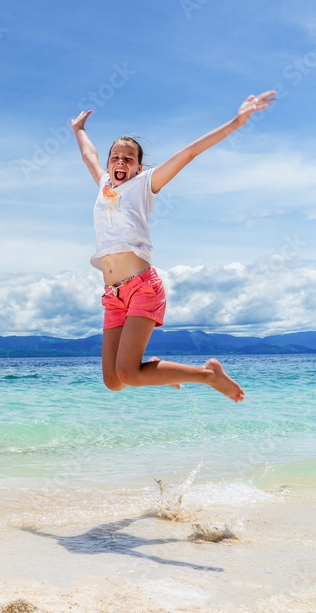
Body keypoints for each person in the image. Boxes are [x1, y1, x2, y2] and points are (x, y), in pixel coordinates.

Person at [71, 91, 275, 401]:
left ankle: (209, 376)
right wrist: (79, 130)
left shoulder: (144, 185)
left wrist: (237, 121)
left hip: (142, 287)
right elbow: (89, 157)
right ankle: (156, 372)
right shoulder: (103, 186)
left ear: (139, 166)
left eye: (129, 158)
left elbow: (189, 152)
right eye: (115, 157)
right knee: (114, 381)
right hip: (113, 296)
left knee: (127, 373)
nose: (121, 161)